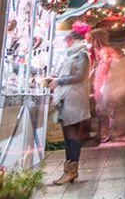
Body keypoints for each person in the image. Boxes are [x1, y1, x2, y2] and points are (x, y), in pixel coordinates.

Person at [49, 24, 92, 186]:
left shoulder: (81, 55)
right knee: (68, 136)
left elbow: (79, 76)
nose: (66, 43)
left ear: (73, 39)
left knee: (72, 136)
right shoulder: (72, 55)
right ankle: (69, 170)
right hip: (67, 99)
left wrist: (59, 81)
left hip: (74, 100)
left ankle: (71, 170)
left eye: (67, 39)